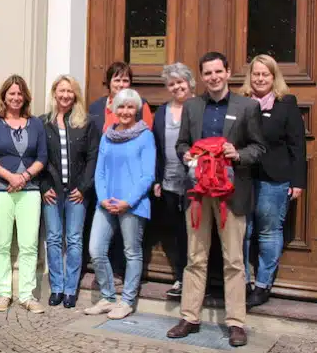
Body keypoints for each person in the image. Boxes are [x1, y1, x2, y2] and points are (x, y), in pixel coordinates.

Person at [166, 52, 266, 347]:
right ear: (202, 76)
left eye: (218, 72)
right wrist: (185, 154)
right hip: (198, 192)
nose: (213, 77)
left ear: (228, 72)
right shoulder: (193, 107)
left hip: (231, 193)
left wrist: (239, 155)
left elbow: (259, 147)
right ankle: (189, 317)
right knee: (196, 257)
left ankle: (235, 322)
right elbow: (182, 142)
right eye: (207, 73)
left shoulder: (248, 107)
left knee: (234, 260)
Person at [239, 54, 306, 308]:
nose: (260, 78)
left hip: (274, 180)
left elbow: (297, 146)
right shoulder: (241, 102)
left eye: (265, 74)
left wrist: (297, 181)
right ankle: (242, 281)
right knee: (242, 233)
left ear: (274, 76)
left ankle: (263, 284)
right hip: (243, 178)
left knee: (268, 233)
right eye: (256, 74)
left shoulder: (286, 103)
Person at [84, 88, 155, 320]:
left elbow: (147, 175)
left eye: (130, 107)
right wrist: (103, 198)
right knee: (96, 249)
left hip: (132, 205)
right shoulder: (108, 135)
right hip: (106, 203)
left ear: (137, 110)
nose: (125, 111)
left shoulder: (145, 136)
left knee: (131, 253)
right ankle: (108, 297)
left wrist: (128, 201)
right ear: (114, 110)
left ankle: (127, 301)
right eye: (121, 107)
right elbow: (100, 172)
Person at [0, 74, 47, 314]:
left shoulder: (36, 123)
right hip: (0, 190)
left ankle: (27, 295)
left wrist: (24, 177)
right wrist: (10, 177)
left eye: (20, 93)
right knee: (2, 243)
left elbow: (42, 158)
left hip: (29, 191)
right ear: (4, 96)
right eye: (12, 93)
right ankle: (3, 293)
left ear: (25, 96)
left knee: (29, 245)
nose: (16, 97)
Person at [40, 75, 98, 308]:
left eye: (70, 91)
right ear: (54, 93)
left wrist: (84, 187)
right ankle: (57, 288)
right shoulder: (43, 122)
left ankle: (71, 289)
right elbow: (39, 158)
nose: (65, 95)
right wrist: (44, 186)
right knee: (53, 239)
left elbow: (93, 157)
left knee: (74, 240)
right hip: (52, 191)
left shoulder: (87, 122)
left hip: (77, 192)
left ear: (76, 95)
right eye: (61, 91)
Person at [152, 63, 196, 298]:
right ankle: (181, 278)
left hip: (196, 182)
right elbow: (158, 148)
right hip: (169, 182)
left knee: (197, 233)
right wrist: (157, 179)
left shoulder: (201, 107)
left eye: (180, 82)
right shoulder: (161, 112)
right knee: (177, 233)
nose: (177, 86)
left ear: (189, 82)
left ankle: (201, 282)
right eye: (172, 83)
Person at [89, 62, 154, 134]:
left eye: (125, 81)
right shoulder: (96, 107)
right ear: (109, 82)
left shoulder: (140, 104)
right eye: (117, 80)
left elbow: (148, 132)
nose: (121, 84)